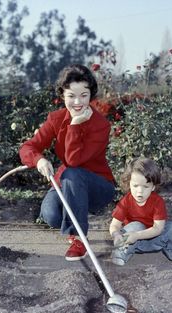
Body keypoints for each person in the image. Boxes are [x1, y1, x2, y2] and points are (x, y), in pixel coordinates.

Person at [19, 64, 116, 261]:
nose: (77, 102)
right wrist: (38, 160)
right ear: (62, 95)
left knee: (73, 173)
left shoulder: (100, 125)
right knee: (51, 216)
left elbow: (73, 161)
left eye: (84, 95)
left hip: (98, 185)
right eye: (71, 95)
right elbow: (27, 148)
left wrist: (75, 125)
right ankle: (74, 214)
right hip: (67, 183)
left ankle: (78, 238)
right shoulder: (56, 119)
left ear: (91, 95)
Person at [109, 157, 172, 266]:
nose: (140, 191)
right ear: (129, 184)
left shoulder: (157, 201)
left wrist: (137, 235)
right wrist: (116, 234)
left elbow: (158, 228)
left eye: (145, 186)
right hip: (133, 242)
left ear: (153, 187)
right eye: (135, 186)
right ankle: (121, 253)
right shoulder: (125, 201)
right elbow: (114, 224)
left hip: (156, 239)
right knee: (135, 225)